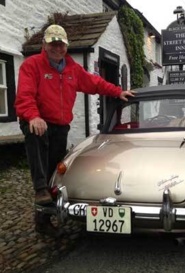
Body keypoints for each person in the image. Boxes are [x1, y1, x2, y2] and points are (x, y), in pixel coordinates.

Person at [14, 24, 135, 237]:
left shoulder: (72, 69)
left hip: (60, 125)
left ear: (66, 46)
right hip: (38, 121)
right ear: (44, 44)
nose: (58, 48)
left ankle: (42, 220)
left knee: (56, 170)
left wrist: (118, 92)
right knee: (37, 142)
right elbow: (25, 96)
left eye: (61, 44)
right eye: (53, 43)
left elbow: (94, 83)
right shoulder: (32, 65)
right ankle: (39, 188)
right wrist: (33, 116)